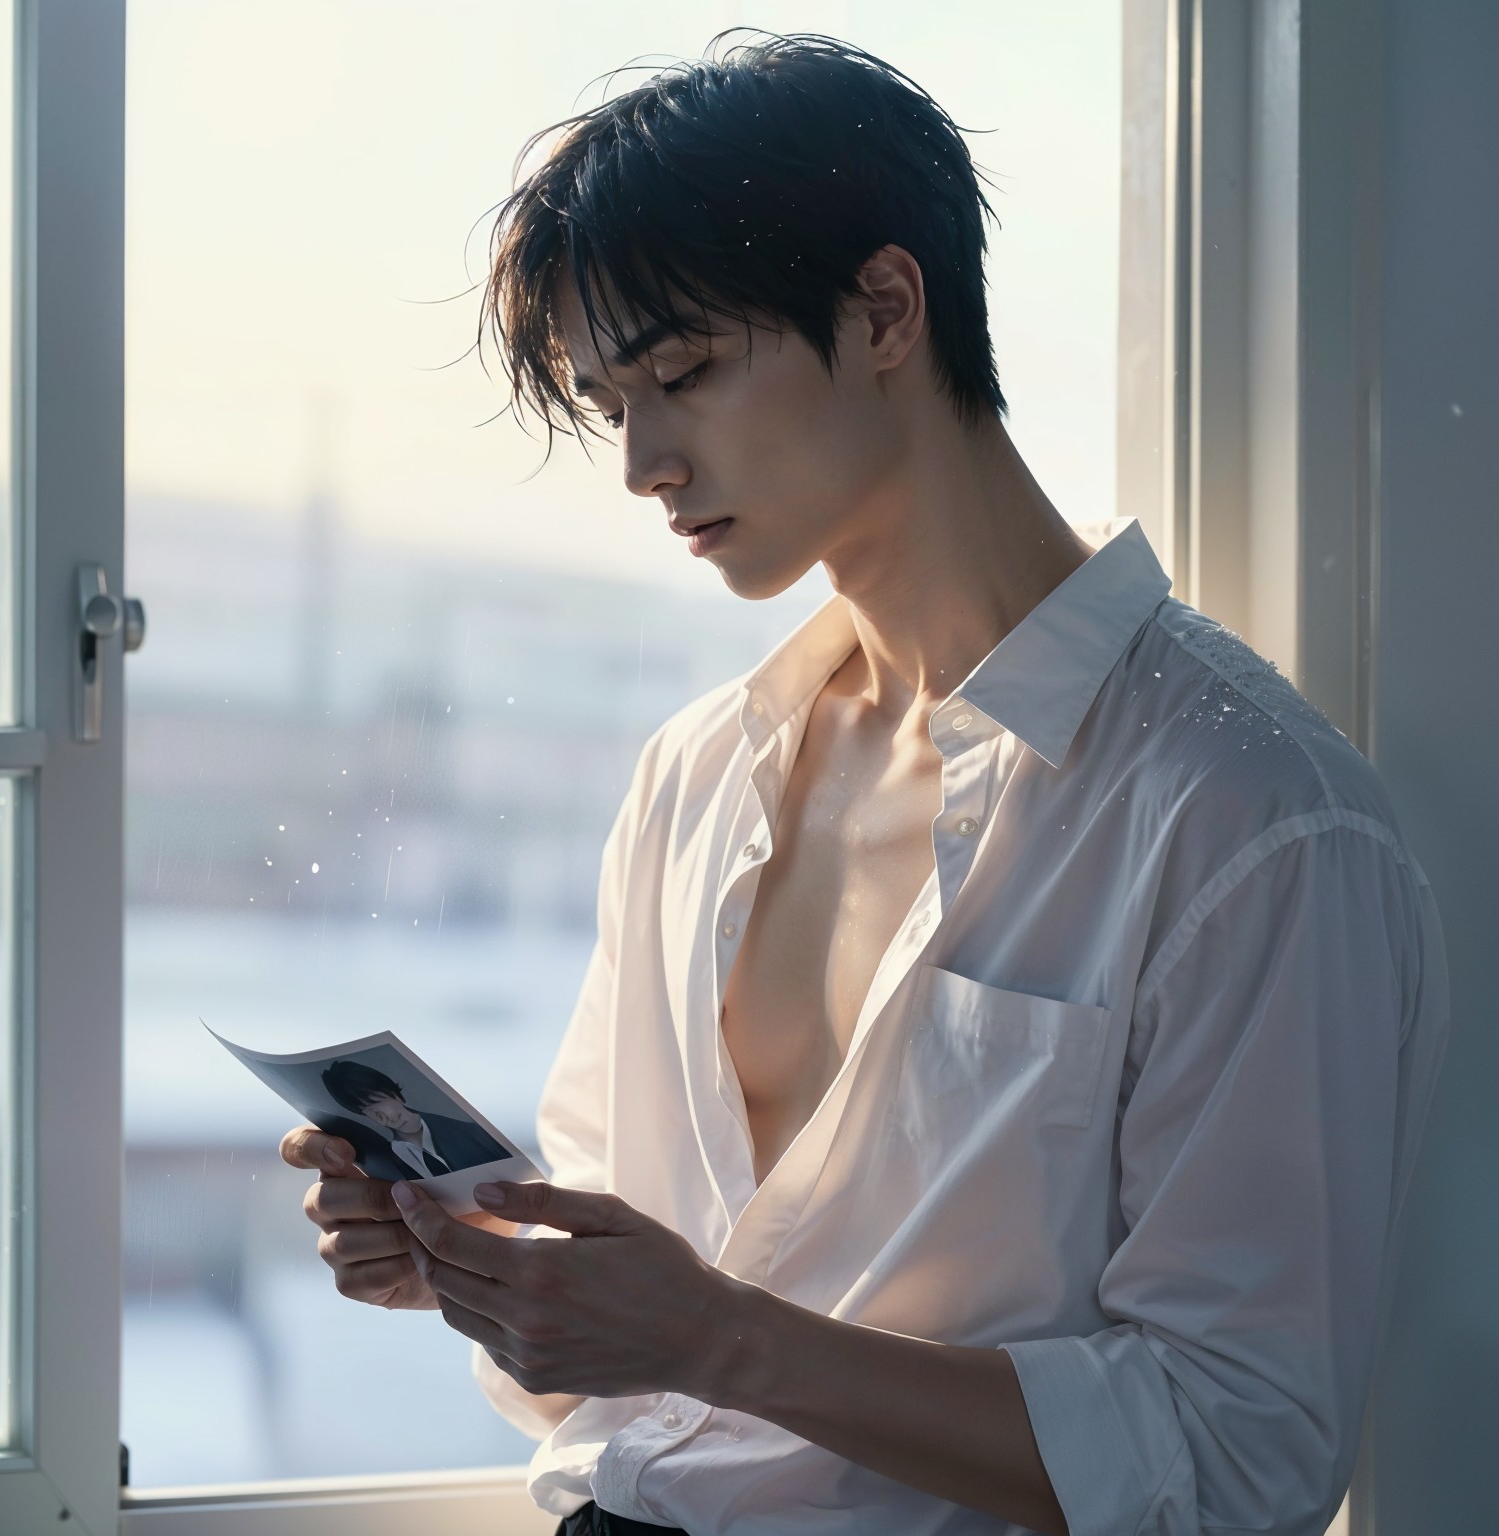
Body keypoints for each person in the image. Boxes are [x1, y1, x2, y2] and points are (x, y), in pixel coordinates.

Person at [281, 28, 1450, 1536]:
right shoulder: (698, 776)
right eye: (608, 401)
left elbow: (1240, 1456)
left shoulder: (1255, 824)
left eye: (683, 372)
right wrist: (475, 1259)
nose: (641, 458)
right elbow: (632, 1361)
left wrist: (710, 1334)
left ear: (887, 309)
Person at [318, 1058, 507, 1180]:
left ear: (395, 1093)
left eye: (381, 1099)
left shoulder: (473, 1134)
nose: (387, 1117)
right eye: (369, 1110)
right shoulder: (380, 1163)